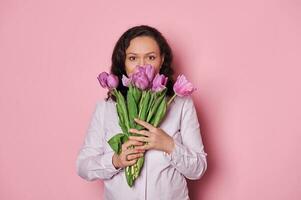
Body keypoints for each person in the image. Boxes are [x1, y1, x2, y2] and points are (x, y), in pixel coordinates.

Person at [76, 25, 208, 200]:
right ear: (123, 62)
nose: (142, 66)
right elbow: (83, 166)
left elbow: (198, 169)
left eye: (151, 57)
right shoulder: (106, 108)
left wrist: (168, 145)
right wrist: (116, 161)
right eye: (132, 58)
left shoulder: (181, 104)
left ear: (162, 60)